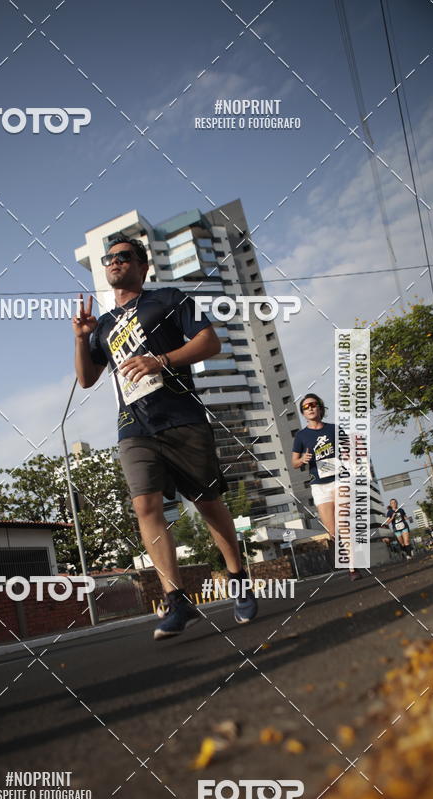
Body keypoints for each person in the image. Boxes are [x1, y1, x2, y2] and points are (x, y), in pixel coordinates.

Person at [72, 233, 258, 640]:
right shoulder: (102, 325)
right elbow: (86, 380)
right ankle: (175, 600)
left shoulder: (169, 299)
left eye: (124, 256)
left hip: (181, 415)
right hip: (133, 426)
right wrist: (79, 337)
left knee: (208, 502)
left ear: (143, 266)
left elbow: (210, 341)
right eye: (109, 258)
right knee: (145, 506)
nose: (115, 262)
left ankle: (238, 576)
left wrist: (161, 360)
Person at [291, 393, 362, 581]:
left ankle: (353, 568)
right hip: (319, 485)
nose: (310, 408)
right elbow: (294, 462)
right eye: (306, 407)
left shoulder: (334, 429)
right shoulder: (301, 436)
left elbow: (349, 449)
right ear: (303, 413)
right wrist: (302, 460)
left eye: (313, 405)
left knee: (344, 523)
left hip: (340, 479)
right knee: (333, 531)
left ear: (320, 408)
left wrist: (350, 456)